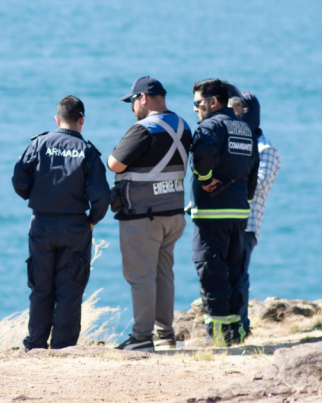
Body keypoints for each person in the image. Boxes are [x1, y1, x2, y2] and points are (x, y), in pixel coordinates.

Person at [12, 95, 111, 351]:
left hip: (41, 224)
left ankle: (35, 346)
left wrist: (36, 196)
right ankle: (63, 348)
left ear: (57, 120)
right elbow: (102, 196)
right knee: (70, 288)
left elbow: (19, 180)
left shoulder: (39, 143)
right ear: (82, 120)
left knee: (41, 287)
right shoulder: (88, 151)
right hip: (75, 226)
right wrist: (92, 220)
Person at [108, 76, 192, 352]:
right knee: (164, 274)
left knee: (141, 277)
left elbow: (115, 164)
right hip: (174, 213)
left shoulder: (142, 129)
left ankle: (142, 337)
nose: (132, 108)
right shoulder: (183, 126)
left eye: (132, 101)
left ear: (143, 98)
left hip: (143, 216)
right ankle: (165, 334)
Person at [190, 79, 259, 347]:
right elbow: (252, 170)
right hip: (238, 212)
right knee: (233, 273)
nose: (195, 108)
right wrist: (243, 199)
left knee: (211, 271)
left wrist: (205, 178)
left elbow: (202, 154)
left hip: (212, 212)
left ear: (213, 102)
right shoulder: (245, 128)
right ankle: (234, 334)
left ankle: (217, 339)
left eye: (198, 103)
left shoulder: (211, 126)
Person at [233, 92, 281, 335]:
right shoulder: (235, 143)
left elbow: (259, 185)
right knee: (225, 274)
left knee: (238, 275)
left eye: (237, 112)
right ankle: (229, 327)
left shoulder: (266, 149)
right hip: (229, 218)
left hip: (248, 224)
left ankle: (241, 328)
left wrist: (229, 174)